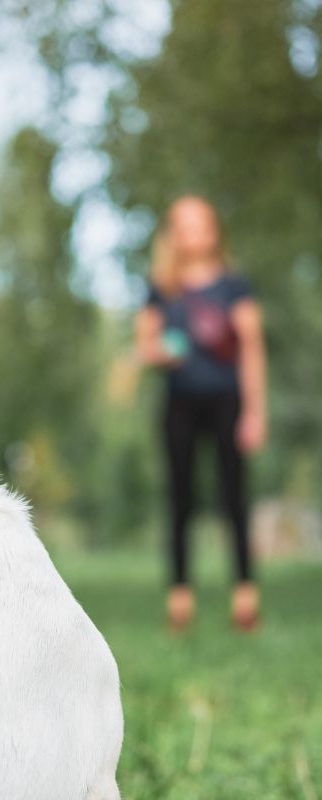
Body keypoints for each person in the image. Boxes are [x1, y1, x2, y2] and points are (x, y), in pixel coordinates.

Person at [135, 195, 267, 631]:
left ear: (214, 231)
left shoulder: (234, 286)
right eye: (186, 226)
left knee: (234, 498)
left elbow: (251, 349)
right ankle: (180, 600)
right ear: (174, 235)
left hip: (227, 402)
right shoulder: (161, 289)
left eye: (203, 224)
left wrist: (255, 412)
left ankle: (245, 597)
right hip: (181, 404)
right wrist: (160, 354)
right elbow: (145, 346)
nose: (196, 233)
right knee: (181, 500)